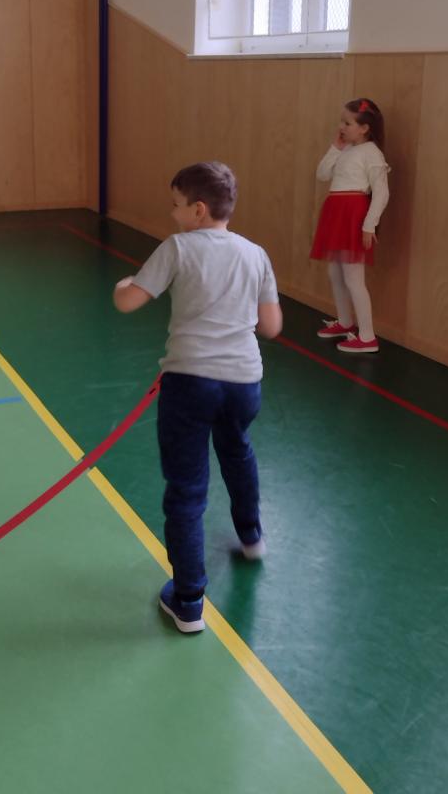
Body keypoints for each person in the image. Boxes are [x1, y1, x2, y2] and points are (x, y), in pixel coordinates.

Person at [113, 161, 282, 634]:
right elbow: (271, 326)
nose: (173, 213)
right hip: (244, 383)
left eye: (176, 205)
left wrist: (124, 283)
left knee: (187, 488)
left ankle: (188, 602)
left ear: (199, 209)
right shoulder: (255, 254)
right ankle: (251, 536)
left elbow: (128, 300)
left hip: (190, 383)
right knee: (237, 450)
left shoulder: (177, 248)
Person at [310, 98, 389, 353]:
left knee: (354, 278)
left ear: (364, 128)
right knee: (335, 273)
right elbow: (322, 174)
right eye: (341, 122)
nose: (341, 127)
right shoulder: (345, 150)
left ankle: (367, 337)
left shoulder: (372, 153)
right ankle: (345, 322)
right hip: (336, 213)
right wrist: (335, 148)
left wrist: (369, 225)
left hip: (352, 215)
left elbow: (381, 193)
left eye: (347, 123)